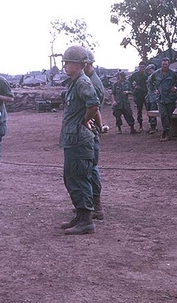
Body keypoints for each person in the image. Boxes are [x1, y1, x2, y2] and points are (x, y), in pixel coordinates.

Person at [58, 46, 100, 235]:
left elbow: (94, 104)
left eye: (67, 62)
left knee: (79, 178)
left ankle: (86, 221)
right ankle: (81, 215)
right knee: (71, 177)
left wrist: (83, 121)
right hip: (72, 139)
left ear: (77, 64)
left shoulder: (83, 82)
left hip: (80, 140)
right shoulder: (74, 83)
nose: (65, 66)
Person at [82, 47, 109, 220]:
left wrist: (87, 122)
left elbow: (95, 108)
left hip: (90, 132)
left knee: (91, 168)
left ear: (86, 64)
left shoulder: (92, 82)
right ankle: (90, 204)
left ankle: (96, 206)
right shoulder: (89, 79)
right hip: (90, 130)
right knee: (88, 168)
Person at [148, 57, 177, 142]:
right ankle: (167, 132)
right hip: (161, 98)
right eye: (163, 64)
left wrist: (176, 88)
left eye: (166, 64)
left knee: (169, 116)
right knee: (163, 115)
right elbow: (149, 82)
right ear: (161, 64)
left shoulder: (173, 73)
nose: (164, 66)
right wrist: (154, 90)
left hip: (170, 98)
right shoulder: (156, 73)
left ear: (168, 64)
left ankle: (166, 131)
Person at [129, 62, 148, 132]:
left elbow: (152, 82)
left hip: (146, 94)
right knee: (139, 110)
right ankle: (140, 126)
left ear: (145, 67)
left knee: (149, 110)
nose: (142, 68)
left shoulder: (147, 74)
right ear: (139, 67)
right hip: (138, 94)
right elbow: (129, 81)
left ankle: (152, 125)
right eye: (140, 67)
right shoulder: (135, 75)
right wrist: (134, 87)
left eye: (143, 67)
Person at [144, 64, 158, 134]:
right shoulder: (149, 77)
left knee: (153, 111)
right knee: (149, 111)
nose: (149, 71)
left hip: (154, 97)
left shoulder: (156, 77)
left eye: (150, 69)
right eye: (148, 70)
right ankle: (151, 125)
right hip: (149, 96)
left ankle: (153, 126)